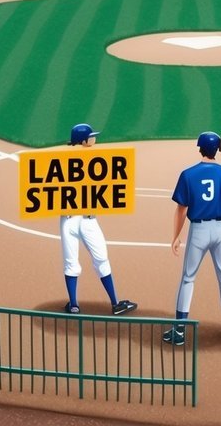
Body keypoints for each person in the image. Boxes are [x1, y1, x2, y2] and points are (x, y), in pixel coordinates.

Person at [166, 131, 221, 345]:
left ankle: (180, 330)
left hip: (198, 231)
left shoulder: (187, 174)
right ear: (217, 149)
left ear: (200, 148)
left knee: (188, 278)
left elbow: (181, 209)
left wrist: (176, 236)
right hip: (220, 230)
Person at [58, 123, 138, 316]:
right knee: (101, 259)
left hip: (68, 219)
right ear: (83, 140)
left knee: (72, 262)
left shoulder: (59, 159)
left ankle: (75, 305)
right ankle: (114, 303)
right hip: (86, 219)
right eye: (91, 136)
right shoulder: (95, 159)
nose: (94, 139)